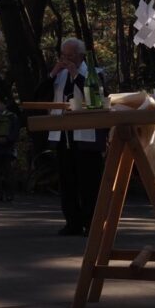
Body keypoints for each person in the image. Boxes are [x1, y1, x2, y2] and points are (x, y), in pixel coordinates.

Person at [38, 37, 104, 236]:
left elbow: (96, 97)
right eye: (63, 55)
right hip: (64, 136)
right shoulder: (59, 76)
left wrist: (76, 74)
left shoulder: (95, 73)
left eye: (70, 56)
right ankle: (72, 222)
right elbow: (39, 95)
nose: (66, 59)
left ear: (81, 56)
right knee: (67, 183)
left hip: (86, 137)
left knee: (89, 183)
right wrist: (53, 73)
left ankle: (91, 223)